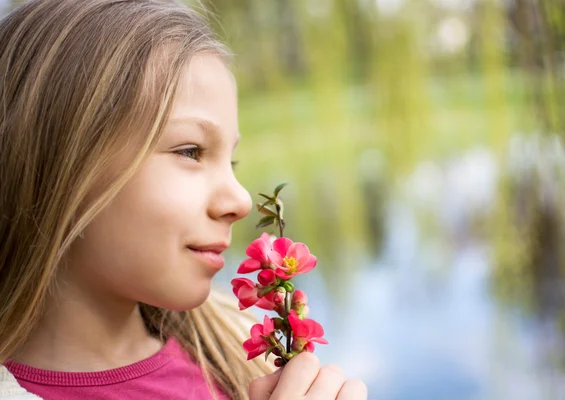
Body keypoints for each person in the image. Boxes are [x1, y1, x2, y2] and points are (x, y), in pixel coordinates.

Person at [0, 1, 368, 399]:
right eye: (190, 151)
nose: (241, 201)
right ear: (60, 161)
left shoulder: (238, 356)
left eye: (232, 160)